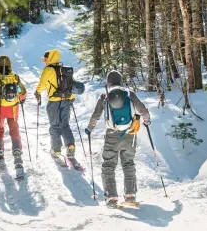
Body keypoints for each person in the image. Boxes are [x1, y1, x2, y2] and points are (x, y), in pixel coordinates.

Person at [84, 70, 151, 208]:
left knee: (108, 165)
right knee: (129, 163)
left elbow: (96, 115)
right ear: (120, 80)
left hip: (112, 134)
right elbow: (143, 111)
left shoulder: (105, 95)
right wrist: (147, 121)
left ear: (108, 82)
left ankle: (112, 197)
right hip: (130, 134)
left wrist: (90, 129)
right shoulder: (129, 93)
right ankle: (131, 195)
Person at [35, 49, 81, 168]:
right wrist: (72, 96)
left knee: (54, 126)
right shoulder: (64, 69)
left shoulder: (48, 69)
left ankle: (56, 150)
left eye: (45, 59)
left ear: (50, 58)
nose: (44, 61)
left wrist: (37, 92)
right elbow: (71, 85)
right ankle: (70, 146)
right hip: (66, 100)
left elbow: (42, 84)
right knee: (64, 125)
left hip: (54, 102)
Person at [0, 56, 27, 178]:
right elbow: (23, 92)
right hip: (13, 108)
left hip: (0, 108)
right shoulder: (15, 77)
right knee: (14, 130)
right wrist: (22, 99)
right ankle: (17, 153)